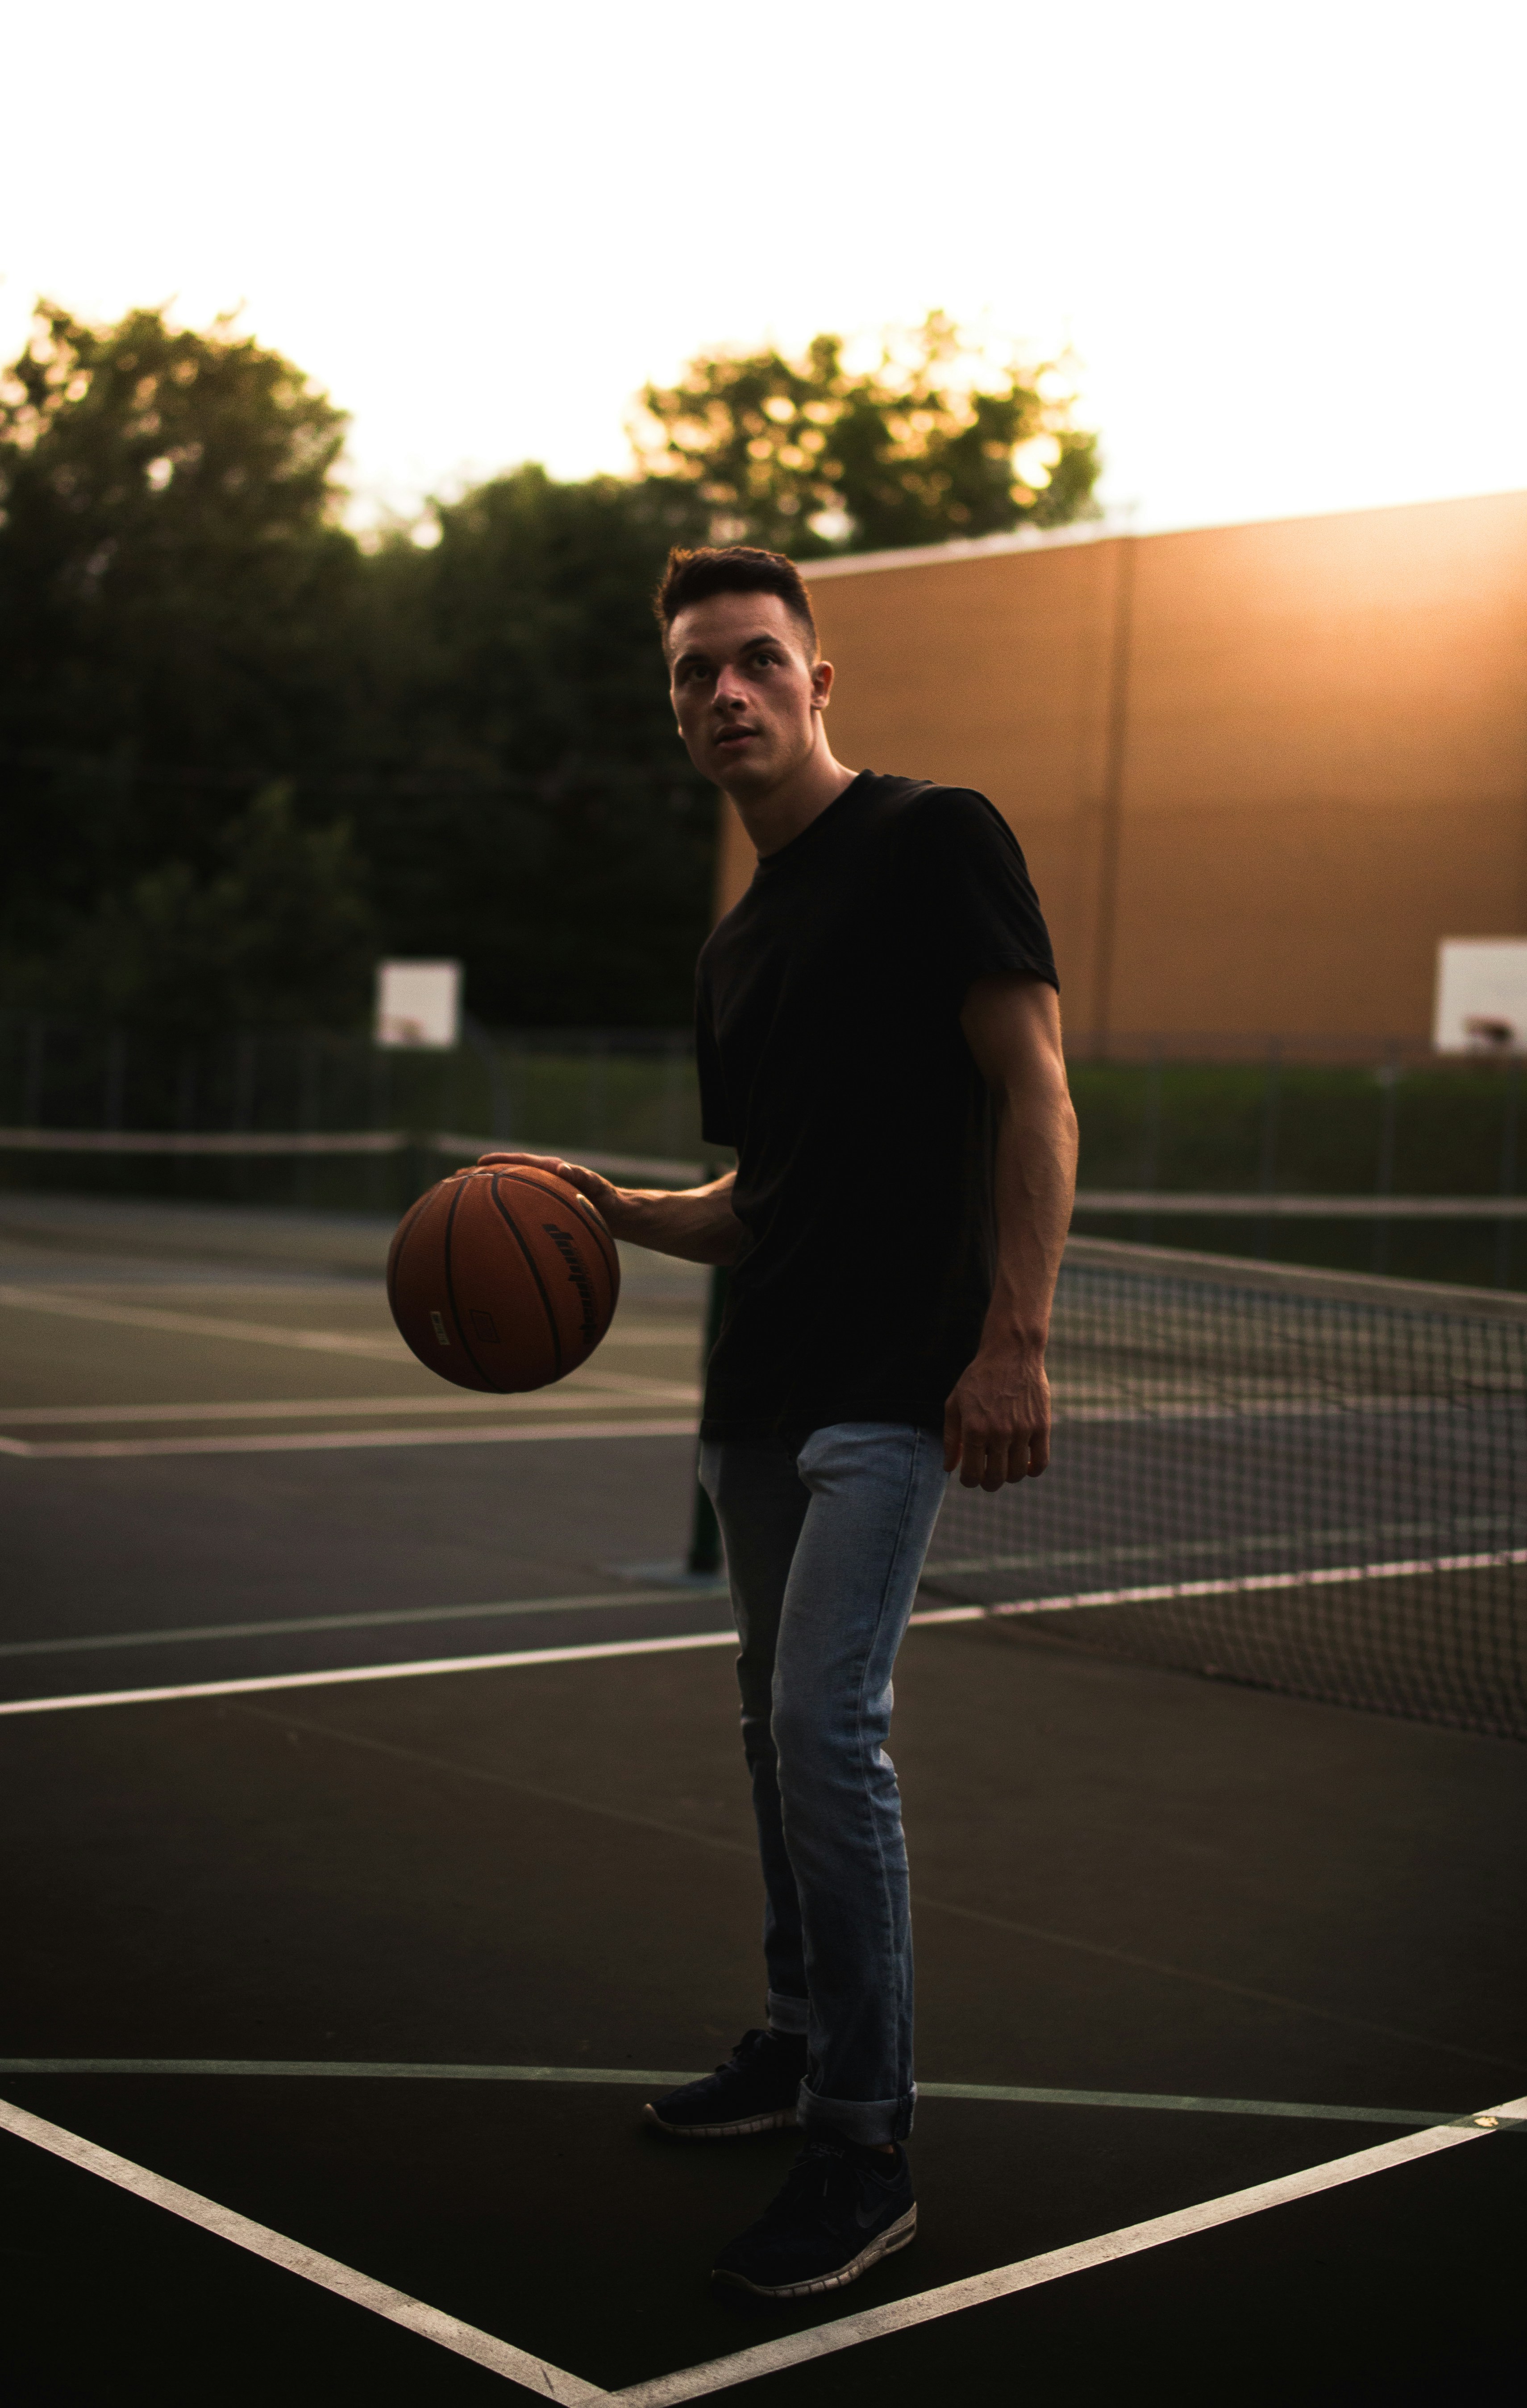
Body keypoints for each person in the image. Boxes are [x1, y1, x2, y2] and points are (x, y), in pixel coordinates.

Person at [481, 544, 1078, 2301]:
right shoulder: (733, 942)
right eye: (690, 675)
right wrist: (614, 1210)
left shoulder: (930, 839)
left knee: (826, 1730)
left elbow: (1033, 1083)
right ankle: (799, 2026)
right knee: (769, 1732)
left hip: (899, 1382)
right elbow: (765, 1193)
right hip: (759, 1389)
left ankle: (862, 2136)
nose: (722, 693)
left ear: (820, 680)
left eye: (754, 661)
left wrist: (1015, 1334)